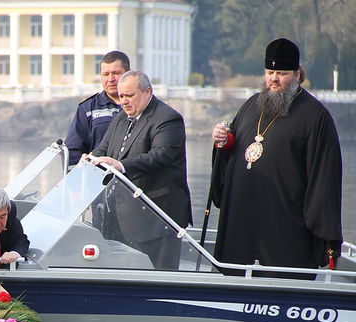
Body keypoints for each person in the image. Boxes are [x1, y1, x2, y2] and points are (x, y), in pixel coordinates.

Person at [211, 37, 342, 277]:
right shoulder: (252, 105)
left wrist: (325, 236)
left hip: (286, 224)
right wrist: (224, 142)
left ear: (297, 74)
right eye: (270, 72)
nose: (274, 79)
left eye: (281, 73)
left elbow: (324, 178)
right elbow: (237, 148)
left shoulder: (315, 117)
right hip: (243, 220)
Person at [86, 70, 191, 270]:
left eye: (129, 95)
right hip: (120, 220)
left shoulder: (168, 118)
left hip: (157, 220)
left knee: (159, 280)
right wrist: (91, 158)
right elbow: (104, 148)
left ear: (147, 91)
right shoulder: (120, 118)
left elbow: (161, 155)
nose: (124, 101)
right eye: (121, 96)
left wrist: (121, 165)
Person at [64, 50, 130, 166]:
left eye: (116, 73)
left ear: (128, 74)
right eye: (105, 74)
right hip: (98, 178)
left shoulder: (141, 105)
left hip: (133, 178)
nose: (110, 79)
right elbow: (72, 152)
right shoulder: (88, 109)